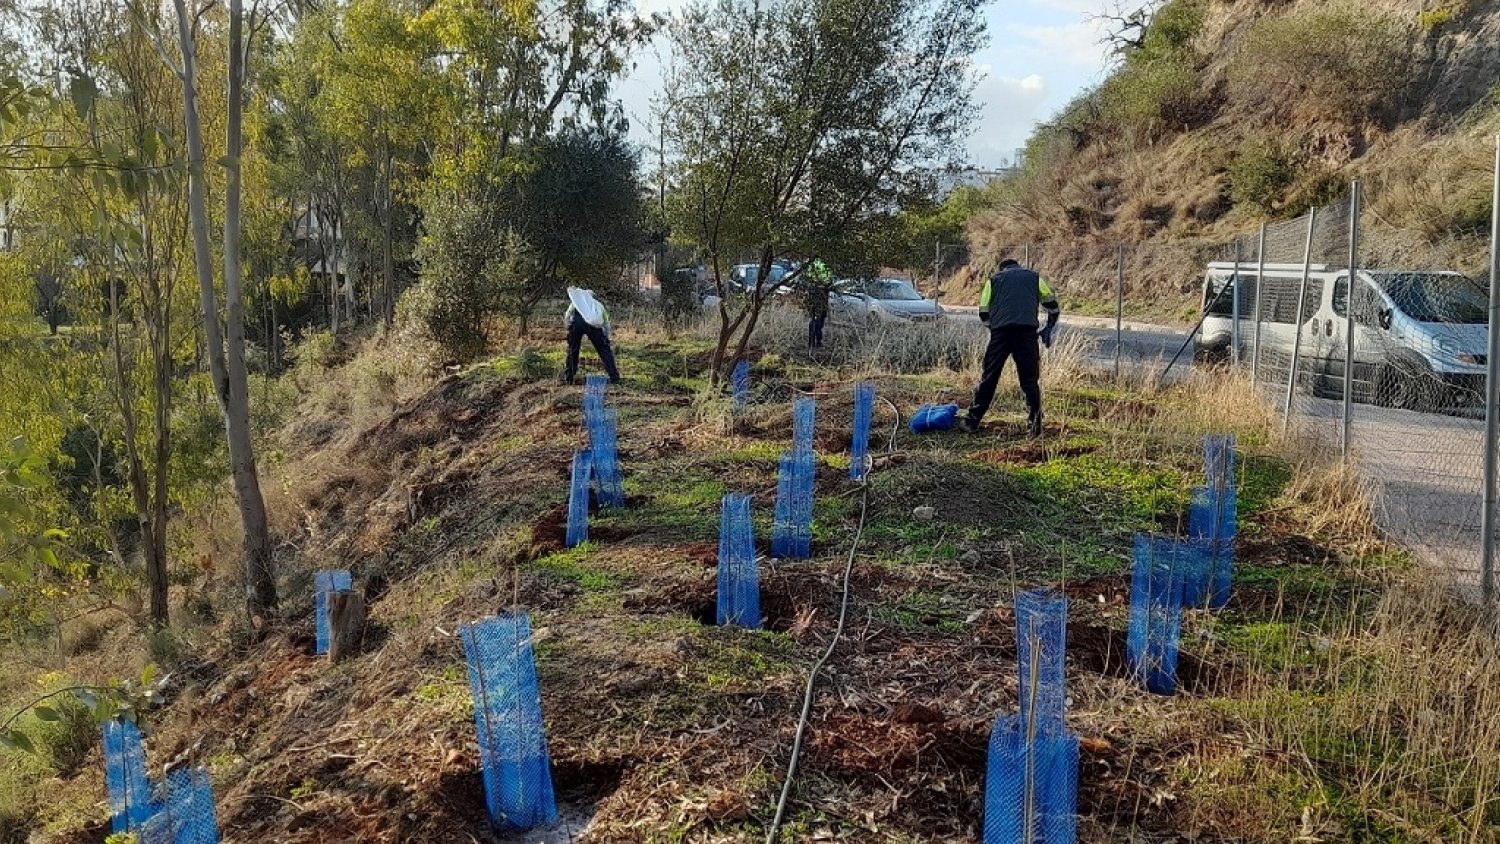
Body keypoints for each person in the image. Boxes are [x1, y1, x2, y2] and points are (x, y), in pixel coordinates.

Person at [958, 258, 1061, 437]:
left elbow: (983, 313)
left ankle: (972, 421)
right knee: (1029, 381)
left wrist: (995, 329)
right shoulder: (1034, 278)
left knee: (989, 377)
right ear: (1018, 266)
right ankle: (1035, 427)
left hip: (1001, 335)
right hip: (1027, 334)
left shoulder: (993, 280)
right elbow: (1053, 306)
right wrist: (1047, 329)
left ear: (1002, 268)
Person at [562, 286, 621, 384]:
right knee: (603, 350)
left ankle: (569, 378)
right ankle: (614, 377)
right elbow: (606, 324)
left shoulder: (576, 303)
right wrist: (606, 337)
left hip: (577, 323)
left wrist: (568, 326)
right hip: (594, 326)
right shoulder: (599, 306)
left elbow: (567, 315)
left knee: (573, 349)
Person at [803, 259, 832, 349]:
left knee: (814, 321)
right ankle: (817, 341)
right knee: (818, 322)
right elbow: (829, 283)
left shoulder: (811, 265)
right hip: (820, 302)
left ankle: (811, 341)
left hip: (813, 301)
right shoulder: (826, 267)